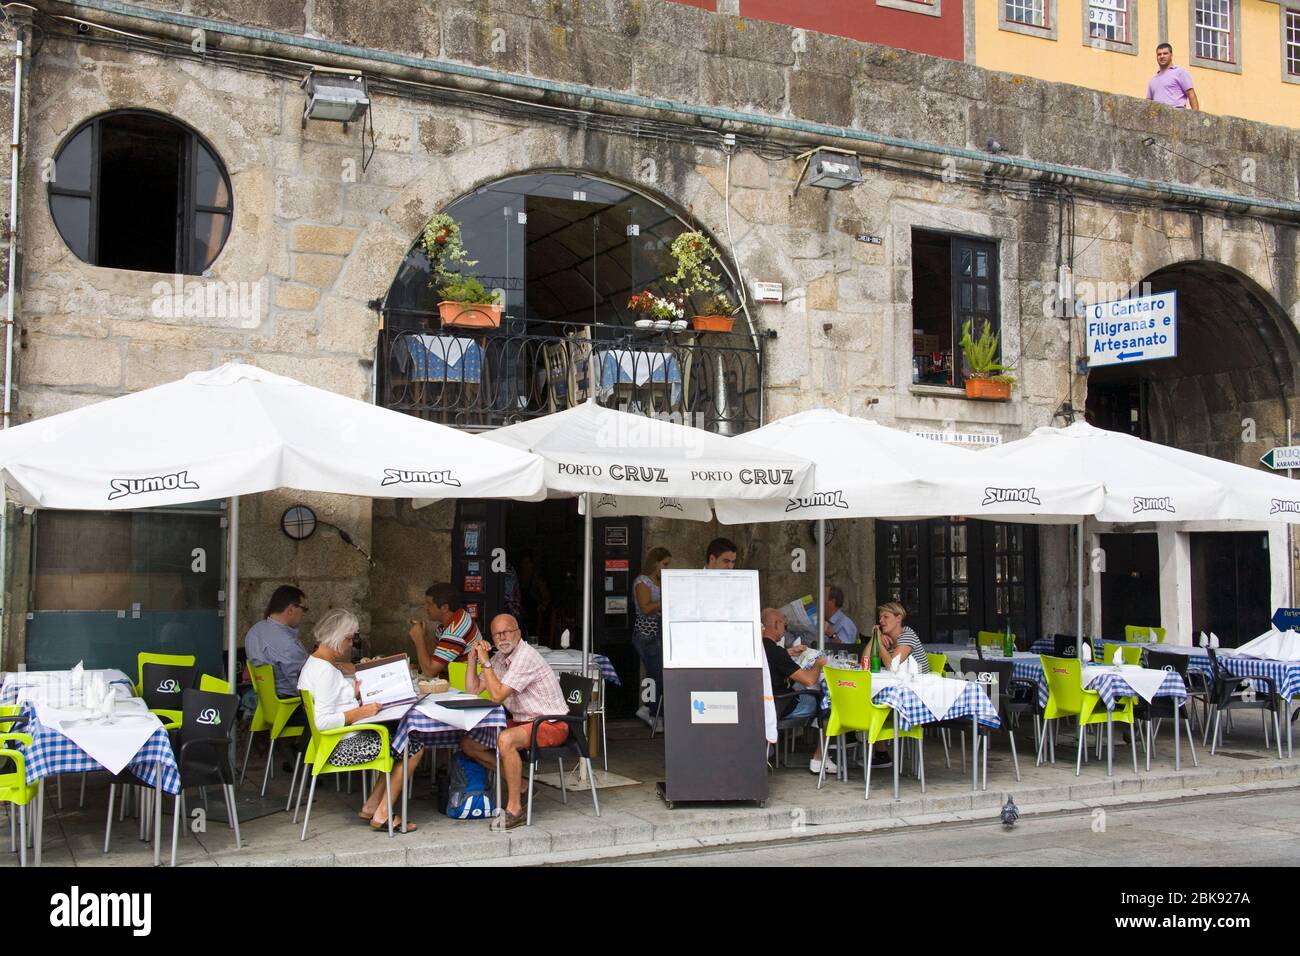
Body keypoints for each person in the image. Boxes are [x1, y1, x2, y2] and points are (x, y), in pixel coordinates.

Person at [297, 608, 424, 831]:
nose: (350, 645)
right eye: (349, 639)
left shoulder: (315, 664)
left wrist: (353, 695)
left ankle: (372, 805)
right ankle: (382, 813)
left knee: (400, 738)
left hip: (327, 744)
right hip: (339, 747)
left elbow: (328, 702)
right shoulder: (326, 671)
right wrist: (361, 712)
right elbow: (323, 721)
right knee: (413, 745)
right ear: (337, 638)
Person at [463, 613, 570, 830]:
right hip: (524, 722)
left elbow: (496, 696)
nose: (502, 637)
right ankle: (522, 785)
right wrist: (473, 658)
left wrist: (485, 662)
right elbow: (472, 690)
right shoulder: (501, 658)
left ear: (518, 633)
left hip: (551, 723)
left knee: (506, 740)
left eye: (507, 632)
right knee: (469, 743)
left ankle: (515, 810)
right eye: (497, 634)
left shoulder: (525, 656)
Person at [761, 608, 832, 773]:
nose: (784, 628)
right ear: (777, 624)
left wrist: (789, 652)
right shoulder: (777, 652)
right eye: (783, 625)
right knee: (826, 701)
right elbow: (809, 680)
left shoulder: (761, 648)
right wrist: (818, 664)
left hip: (771, 702)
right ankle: (820, 756)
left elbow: (775, 659)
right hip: (784, 703)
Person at [246, 585, 316, 698]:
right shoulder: (286, 643)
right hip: (290, 702)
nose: (304, 614)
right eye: (304, 609)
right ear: (290, 610)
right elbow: (305, 684)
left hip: (266, 701)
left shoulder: (255, 630)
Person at [409, 583, 482, 678]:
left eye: (429, 604)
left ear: (444, 608)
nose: (425, 608)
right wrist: (423, 636)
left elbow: (430, 672)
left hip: (469, 683)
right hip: (462, 675)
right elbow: (435, 655)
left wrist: (418, 640)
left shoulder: (454, 633)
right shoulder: (459, 616)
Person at [632, 547, 671, 725]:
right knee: (657, 674)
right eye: (665, 564)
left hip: (659, 634)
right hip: (646, 634)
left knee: (656, 673)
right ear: (655, 563)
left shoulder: (661, 582)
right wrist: (665, 601)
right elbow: (645, 608)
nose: (667, 568)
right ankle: (654, 713)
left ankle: (649, 709)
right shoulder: (642, 582)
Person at [874, 601, 930, 675]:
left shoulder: (908, 634)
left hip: (918, 683)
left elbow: (892, 666)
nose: (880, 621)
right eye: (880, 617)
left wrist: (878, 642)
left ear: (898, 619)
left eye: (886, 617)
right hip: (900, 680)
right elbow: (865, 659)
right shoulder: (886, 637)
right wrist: (875, 637)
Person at [1146, 43, 1199, 110]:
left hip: (1177, 114)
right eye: (1159, 54)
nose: (1162, 56)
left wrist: (1196, 118)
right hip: (1158, 117)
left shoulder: (1180, 72)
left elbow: (1191, 94)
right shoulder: (1153, 80)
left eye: (1165, 53)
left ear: (1171, 55)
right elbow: (1148, 102)